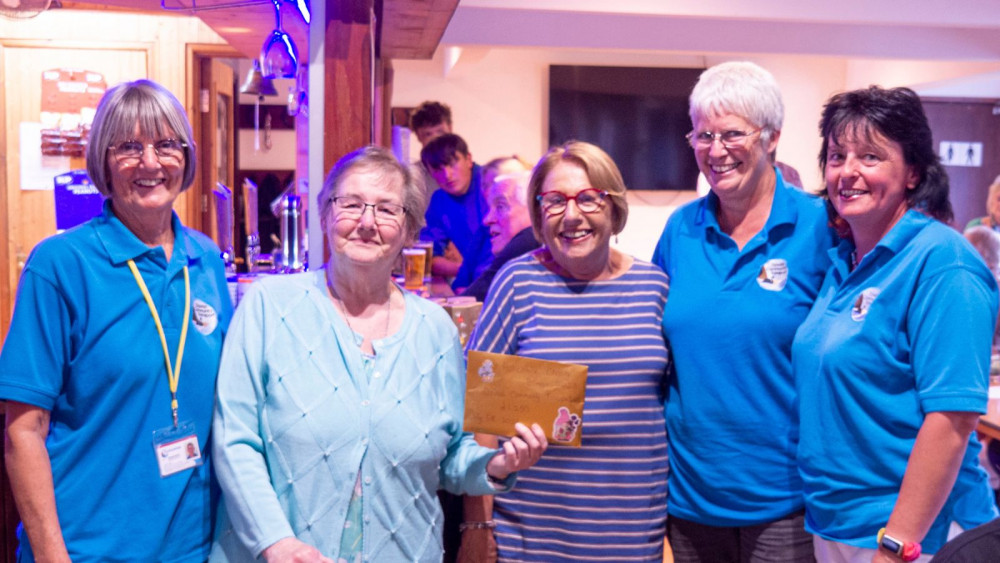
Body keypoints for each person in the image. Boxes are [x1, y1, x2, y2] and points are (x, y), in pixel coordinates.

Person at [209, 146, 547, 562]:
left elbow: (451, 455)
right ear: (325, 214)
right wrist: (275, 542)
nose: (367, 222)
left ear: (409, 231)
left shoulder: (435, 329)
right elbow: (234, 441)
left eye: (388, 210)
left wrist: (496, 465)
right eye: (350, 204)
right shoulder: (267, 306)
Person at [0, 79, 232, 562]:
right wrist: (49, 554)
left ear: (185, 157)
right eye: (129, 146)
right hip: (87, 546)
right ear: (103, 161)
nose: (150, 162)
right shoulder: (60, 265)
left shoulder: (205, 259)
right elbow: (24, 430)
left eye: (167, 144)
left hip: (191, 545)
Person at [792, 86, 999, 561]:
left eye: (870, 156)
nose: (848, 172)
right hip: (835, 523)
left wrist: (895, 545)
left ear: (912, 172)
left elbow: (952, 420)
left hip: (903, 535)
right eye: (837, 155)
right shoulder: (845, 259)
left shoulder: (943, 263)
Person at [652, 61, 833, 562]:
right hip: (689, 500)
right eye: (703, 135)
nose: (715, 150)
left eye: (731, 134)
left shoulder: (819, 227)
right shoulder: (680, 230)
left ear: (771, 137)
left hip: (787, 500)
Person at [461, 141, 671, 561]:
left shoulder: (655, 287)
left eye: (589, 198)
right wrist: (478, 527)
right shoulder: (517, 283)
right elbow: (477, 416)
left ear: (613, 208)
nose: (572, 215)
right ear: (539, 214)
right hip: (533, 538)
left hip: (633, 538)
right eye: (554, 201)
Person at [420, 133, 493, 289]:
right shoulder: (439, 201)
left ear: (469, 159)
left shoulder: (492, 183)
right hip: (475, 283)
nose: (447, 175)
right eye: (438, 169)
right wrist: (466, 273)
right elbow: (429, 257)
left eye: (452, 164)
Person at [463, 170, 540, 302]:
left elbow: (466, 303)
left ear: (534, 210)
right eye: (489, 208)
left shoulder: (529, 239)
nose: (487, 219)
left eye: (500, 206)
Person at [409, 101, 454, 198]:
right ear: (418, 136)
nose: (436, 140)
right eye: (428, 134)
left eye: (440, 132)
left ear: (450, 129)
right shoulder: (411, 177)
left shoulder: (471, 173)